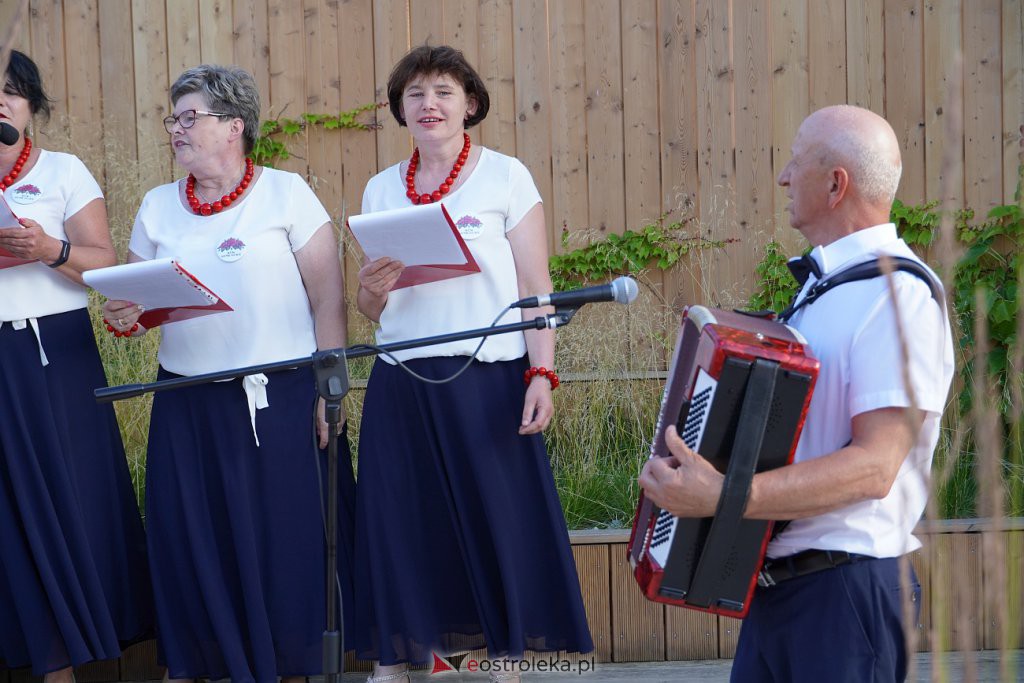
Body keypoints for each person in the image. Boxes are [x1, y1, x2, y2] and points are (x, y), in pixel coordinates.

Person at [639, 105, 954, 682]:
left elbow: (875, 468)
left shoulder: (897, 296)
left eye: (796, 161)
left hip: (846, 595)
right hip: (782, 590)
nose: (783, 177)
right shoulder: (826, 289)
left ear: (837, 184)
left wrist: (724, 495)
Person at [102, 64, 354, 683]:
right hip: (187, 402)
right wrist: (125, 315)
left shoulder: (286, 194)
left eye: (191, 117)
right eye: (173, 118)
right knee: (194, 542)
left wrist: (331, 390)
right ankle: (195, 666)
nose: (176, 130)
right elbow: (137, 307)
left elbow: (328, 299)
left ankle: (286, 667)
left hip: (282, 394)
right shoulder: (159, 206)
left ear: (234, 126)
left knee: (282, 540)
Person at [353, 45, 593, 683]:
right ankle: (401, 656)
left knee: (499, 519)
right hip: (402, 379)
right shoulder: (381, 189)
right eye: (415, 95)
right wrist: (372, 290)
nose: (428, 105)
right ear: (401, 108)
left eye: (442, 93)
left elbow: (534, 287)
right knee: (400, 521)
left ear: (471, 104)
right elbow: (370, 308)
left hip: (487, 376)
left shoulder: (506, 177)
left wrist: (542, 373)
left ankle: (508, 655)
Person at [0, 50, 152, 681]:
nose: (0, 102)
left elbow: (105, 266)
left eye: (11, 90)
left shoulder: (63, 170)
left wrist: (48, 247)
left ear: (32, 104)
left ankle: (77, 658)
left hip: (54, 355)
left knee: (73, 502)